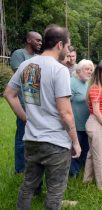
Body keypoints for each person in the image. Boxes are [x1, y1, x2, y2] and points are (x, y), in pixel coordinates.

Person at [4, 24, 81, 210]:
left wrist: (26, 119)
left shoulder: (25, 65)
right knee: (55, 191)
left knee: (28, 185)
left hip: (31, 139)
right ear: (60, 45)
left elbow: (8, 94)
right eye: (68, 46)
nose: (68, 50)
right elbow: (65, 112)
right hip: (56, 142)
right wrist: (75, 142)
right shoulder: (59, 70)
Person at [10, 31, 42, 174]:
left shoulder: (38, 57)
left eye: (41, 41)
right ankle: (20, 169)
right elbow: (22, 76)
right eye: (37, 40)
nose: (40, 43)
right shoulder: (19, 54)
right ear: (29, 40)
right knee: (22, 137)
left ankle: (33, 165)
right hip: (23, 104)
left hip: (37, 104)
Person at [83, 62, 102, 190]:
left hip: (94, 122)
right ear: (100, 75)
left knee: (92, 154)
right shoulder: (96, 88)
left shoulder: (97, 88)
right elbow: (96, 110)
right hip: (97, 123)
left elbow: (100, 104)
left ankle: (87, 180)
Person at [69, 59, 95, 177]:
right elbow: (65, 104)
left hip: (86, 124)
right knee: (74, 150)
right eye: (87, 69)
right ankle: (73, 173)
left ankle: (83, 171)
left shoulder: (88, 84)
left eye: (91, 70)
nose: (89, 72)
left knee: (85, 149)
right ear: (79, 70)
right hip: (75, 125)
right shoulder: (71, 82)